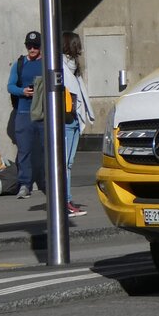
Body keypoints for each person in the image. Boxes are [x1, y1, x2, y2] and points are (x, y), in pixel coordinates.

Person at [61, 31, 96, 218]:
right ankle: (64, 201)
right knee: (64, 164)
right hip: (65, 120)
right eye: (78, 44)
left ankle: (67, 200)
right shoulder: (59, 66)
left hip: (73, 119)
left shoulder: (74, 67)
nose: (80, 48)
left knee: (69, 163)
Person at [6, 30, 43, 199]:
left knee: (47, 150)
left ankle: (49, 183)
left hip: (44, 114)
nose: (32, 49)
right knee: (24, 151)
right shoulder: (20, 64)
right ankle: (24, 185)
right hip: (23, 113)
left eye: (35, 46)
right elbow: (10, 86)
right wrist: (23, 91)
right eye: (29, 45)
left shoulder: (47, 63)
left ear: (41, 47)